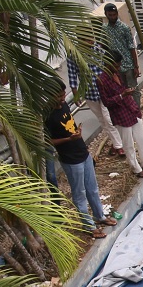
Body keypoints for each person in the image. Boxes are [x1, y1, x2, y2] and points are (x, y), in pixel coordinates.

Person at [44, 81, 116, 240]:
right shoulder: (47, 116)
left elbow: (70, 124)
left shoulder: (64, 107)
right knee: (79, 193)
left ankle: (100, 216)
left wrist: (77, 135)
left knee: (92, 188)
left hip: (82, 152)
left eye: (63, 95)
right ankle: (88, 225)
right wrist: (68, 139)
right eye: (59, 96)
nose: (63, 99)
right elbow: (48, 142)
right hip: (70, 159)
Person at [97, 50, 143, 179]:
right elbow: (107, 102)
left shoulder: (117, 73)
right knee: (128, 144)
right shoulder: (101, 80)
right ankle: (136, 169)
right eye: (116, 65)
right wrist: (121, 95)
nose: (118, 68)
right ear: (109, 64)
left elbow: (123, 89)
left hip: (130, 108)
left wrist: (128, 95)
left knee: (141, 139)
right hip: (119, 114)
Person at [66, 42, 124, 158]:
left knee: (109, 118)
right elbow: (72, 74)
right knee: (102, 120)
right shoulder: (73, 54)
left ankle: (119, 146)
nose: (90, 41)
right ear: (80, 38)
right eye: (87, 39)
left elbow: (109, 67)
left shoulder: (99, 49)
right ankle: (116, 143)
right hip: (89, 92)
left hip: (104, 90)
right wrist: (75, 92)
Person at [101, 3, 139, 106]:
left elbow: (131, 47)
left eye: (114, 14)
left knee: (133, 90)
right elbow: (103, 46)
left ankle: (137, 110)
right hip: (115, 67)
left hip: (128, 65)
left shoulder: (124, 28)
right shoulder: (104, 29)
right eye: (110, 15)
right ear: (106, 14)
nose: (113, 17)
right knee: (121, 90)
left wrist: (136, 66)